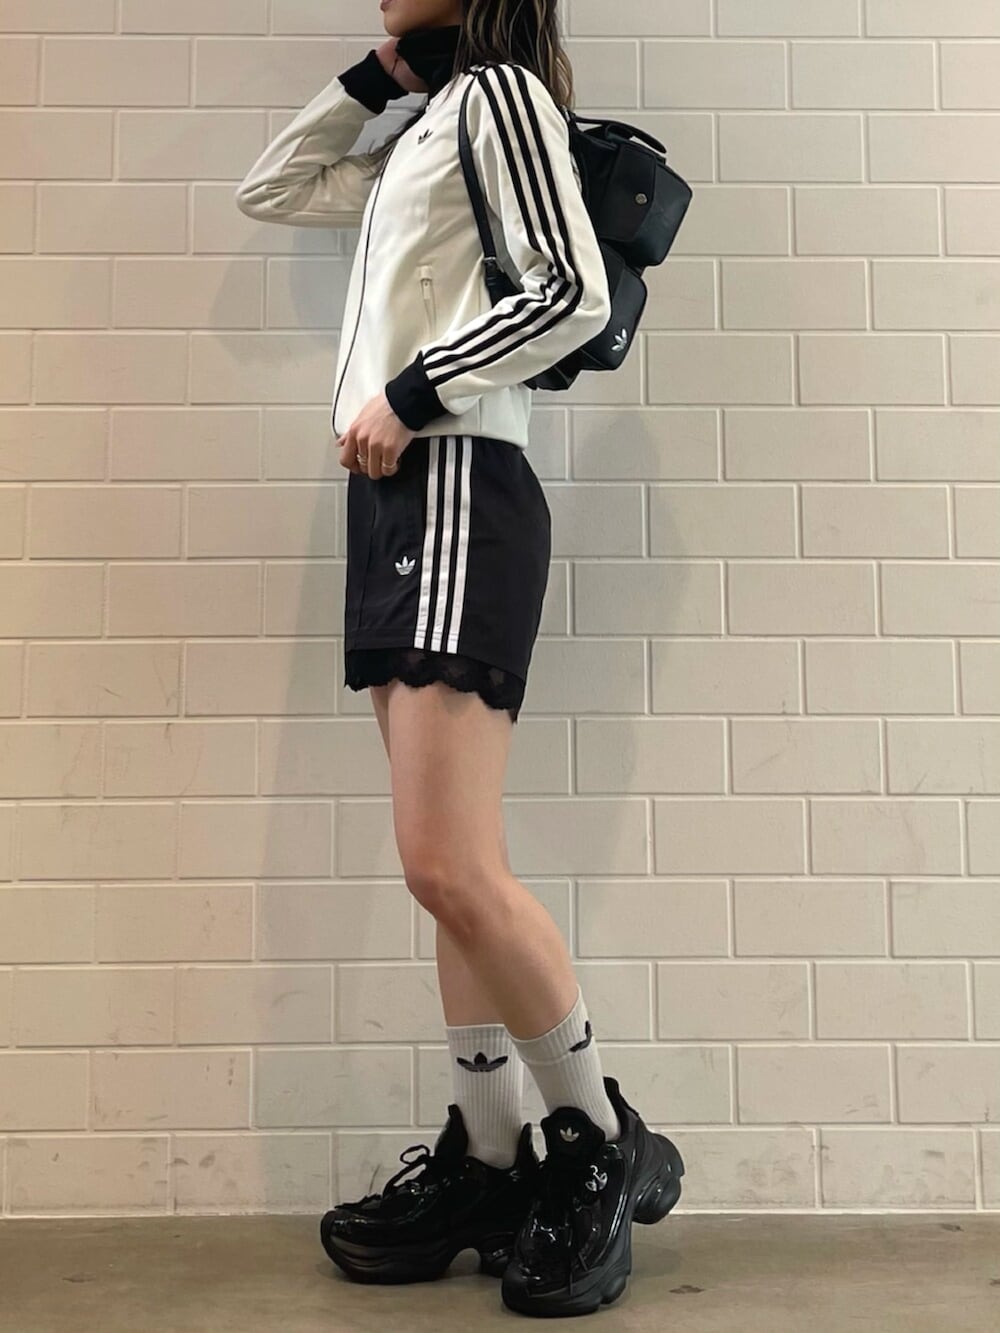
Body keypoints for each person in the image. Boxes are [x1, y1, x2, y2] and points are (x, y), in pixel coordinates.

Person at [235, 0, 683, 1316]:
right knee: (447, 873)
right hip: (400, 497)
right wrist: (377, 76)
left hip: (454, 484)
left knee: (448, 864)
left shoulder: (500, 100)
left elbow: (570, 293)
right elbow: (276, 187)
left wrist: (413, 390)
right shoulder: (432, 119)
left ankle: (597, 1141)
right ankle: (490, 1156)